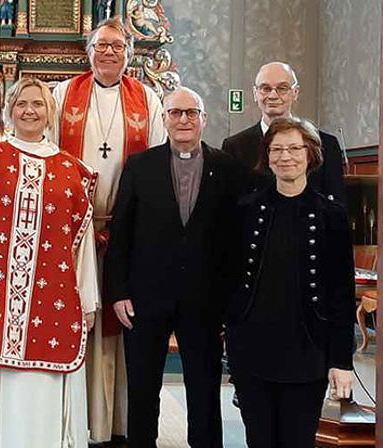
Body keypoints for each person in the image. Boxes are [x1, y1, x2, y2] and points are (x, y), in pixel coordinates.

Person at [0, 77, 99, 448]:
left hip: (52, 299)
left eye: (38, 104)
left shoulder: (72, 171)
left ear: (50, 112)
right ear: (9, 110)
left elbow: (81, 247)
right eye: (22, 103)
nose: (30, 110)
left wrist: (87, 301)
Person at [105, 87, 244, 448]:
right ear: (163, 119)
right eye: (175, 113)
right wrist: (118, 292)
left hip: (205, 300)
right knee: (142, 390)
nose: (184, 120)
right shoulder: (139, 166)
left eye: (191, 113)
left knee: (204, 388)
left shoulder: (228, 169)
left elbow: (236, 239)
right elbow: (121, 233)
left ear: (204, 119)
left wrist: (232, 298)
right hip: (145, 298)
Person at [50, 16, 166, 443]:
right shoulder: (63, 95)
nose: (109, 52)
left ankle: (116, 424)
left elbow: (155, 166)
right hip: (72, 234)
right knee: (78, 319)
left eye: (118, 46)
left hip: (127, 231)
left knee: (119, 325)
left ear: (129, 54)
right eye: (101, 45)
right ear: (88, 51)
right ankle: (75, 419)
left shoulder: (148, 100)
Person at [225, 117, 354, 448]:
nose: (286, 157)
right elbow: (228, 279)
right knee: (259, 439)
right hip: (252, 350)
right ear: (267, 157)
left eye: (295, 148)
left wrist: (342, 360)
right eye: (277, 149)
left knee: (297, 440)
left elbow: (341, 294)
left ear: (310, 154)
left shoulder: (332, 215)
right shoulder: (245, 210)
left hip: (308, 351)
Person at [221, 62, 346, 203]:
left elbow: (336, 207)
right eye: (265, 88)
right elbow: (228, 205)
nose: (273, 95)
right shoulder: (234, 146)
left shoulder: (326, 144)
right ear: (255, 94)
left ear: (295, 92)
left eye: (282, 88)